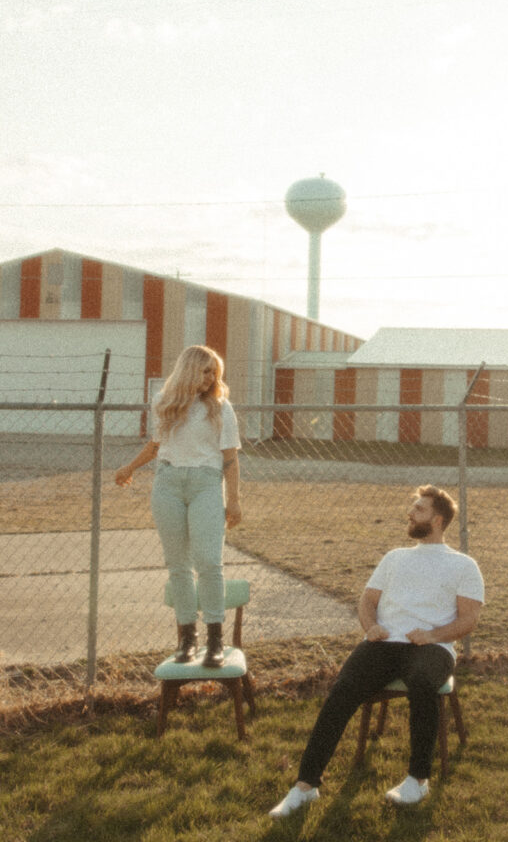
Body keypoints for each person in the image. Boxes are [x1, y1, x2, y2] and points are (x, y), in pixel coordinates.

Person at [269, 484, 484, 818]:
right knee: (342, 691)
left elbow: (469, 619)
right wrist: (370, 627)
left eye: (419, 509)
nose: (411, 513)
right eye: (412, 507)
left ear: (438, 520)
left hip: (432, 647)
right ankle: (305, 787)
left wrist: (432, 634)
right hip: (385, 643)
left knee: (424, 683)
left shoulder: (463, 565)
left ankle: (417, 779)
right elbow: (367, 601)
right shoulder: (395, 557)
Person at [114, 344, 242, 668]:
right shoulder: (163, 402)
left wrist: (235, 500)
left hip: (206, 486)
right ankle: (188, 639)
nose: (211, 377)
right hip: (168, 485)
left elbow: (230, 458)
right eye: (205, 370)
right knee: (178, 566)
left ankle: (215, 640)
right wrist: (130, 467)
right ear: (188, 370)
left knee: (209, 561)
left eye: (214, 372)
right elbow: (157, 445)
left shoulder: (221, 407)